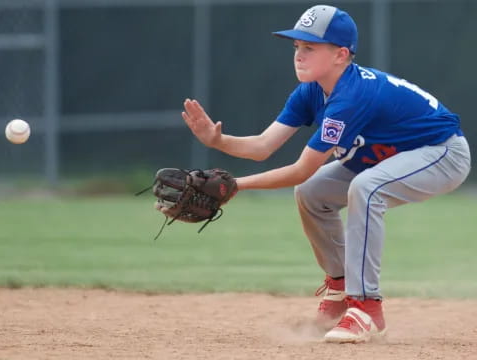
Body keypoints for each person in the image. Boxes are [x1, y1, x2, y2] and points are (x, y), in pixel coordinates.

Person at [177, 4, 471, 343]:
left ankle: (366, 309)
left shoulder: (351, 95)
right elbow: (262, 147)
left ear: (340, 55)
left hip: (441, 153)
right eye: (297, 47)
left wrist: (236, 186)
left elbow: (301, 168)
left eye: (310, 47)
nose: (299, 55)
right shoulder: (311, 91)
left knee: (367, 188)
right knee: (311, 193)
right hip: (381, 154)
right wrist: (218, 140)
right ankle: (340, 290)